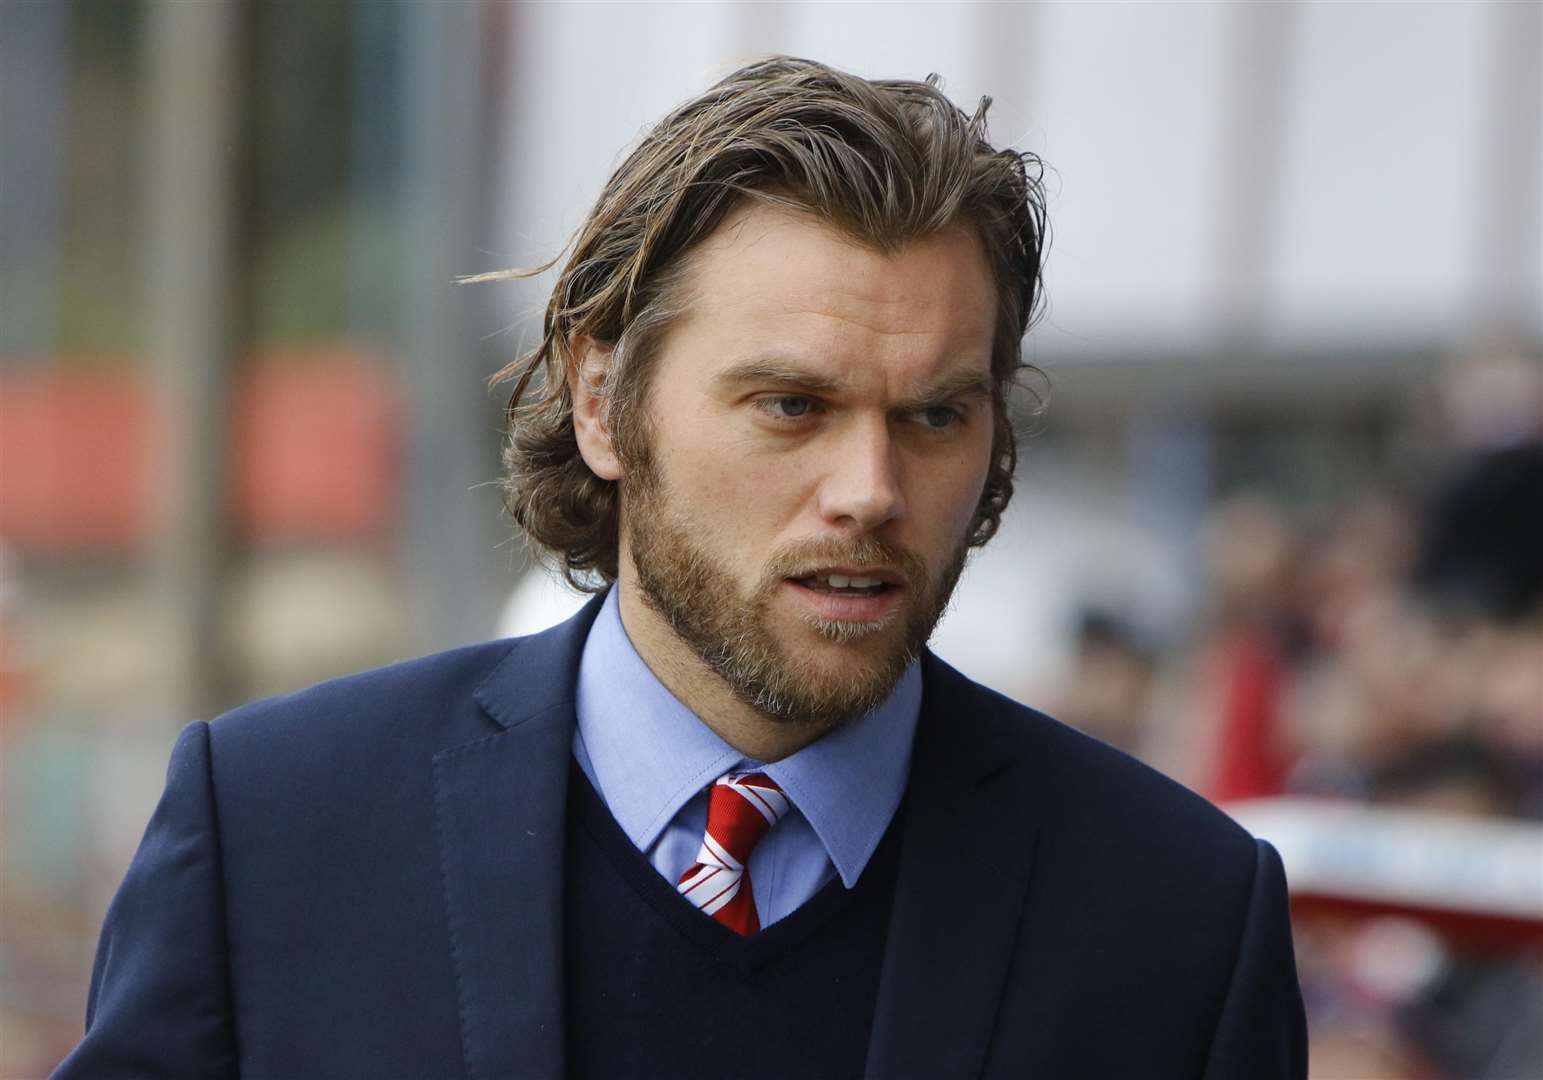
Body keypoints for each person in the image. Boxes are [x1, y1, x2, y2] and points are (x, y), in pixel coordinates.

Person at [55, 57, 1306, 1078]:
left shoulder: (1176, 915)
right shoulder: (276, 830)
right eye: (790, 406)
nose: (870, 491)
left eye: (934, 415)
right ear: (604, 402)